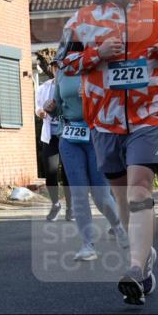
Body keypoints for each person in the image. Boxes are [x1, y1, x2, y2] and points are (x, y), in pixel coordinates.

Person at [58, 0, 158, 305]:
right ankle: (143, 257)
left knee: (140, 187)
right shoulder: (83, 20)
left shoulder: (157, 12)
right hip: (104, 119)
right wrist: (97, 53)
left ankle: (134, 269)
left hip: (149, 114)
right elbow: (64, 62)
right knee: (121, 195)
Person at [47, 49, 130, 261]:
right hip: (70, 137)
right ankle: (87, 245)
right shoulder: (62, 74)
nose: (67, 61)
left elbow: (117, 99)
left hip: (96, 135)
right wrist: (51, 108)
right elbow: (58, 106)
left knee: (101, 195)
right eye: (65, 59)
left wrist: (96, 96)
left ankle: (118, 227)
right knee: (78, 194)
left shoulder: (97, 70)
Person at [35, 58, 72, 221]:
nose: (58, 69)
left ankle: (71, 208)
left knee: (67, 173)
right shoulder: (43, 87)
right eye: (55, 67)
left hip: (68, 134)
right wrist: (40, 113)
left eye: (60, 67)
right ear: (52, 68)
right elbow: (38, 107)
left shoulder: (70, 86)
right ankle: (55, 204)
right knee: (50, 171)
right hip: (50, 135)